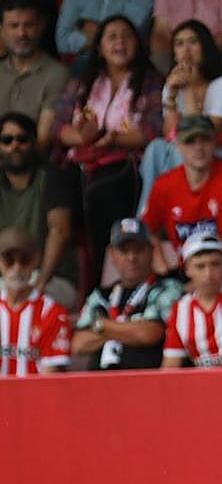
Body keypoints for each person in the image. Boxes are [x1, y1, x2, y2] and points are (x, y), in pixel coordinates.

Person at [52, 14, 163, 278]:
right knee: (56, 188)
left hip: (124, 164)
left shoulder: (149, 81)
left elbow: (153, 130)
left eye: (126, 36)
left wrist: (112, 138)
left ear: (138, 44)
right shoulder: (83, 81)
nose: (119, 42)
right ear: (100, 46)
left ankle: (107, 278)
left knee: (102, 192)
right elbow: (57, 127)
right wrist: (81, 138)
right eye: (111, 36)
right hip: (79, 161)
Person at [139, 19, 222, 208]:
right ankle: (146, 214)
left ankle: (177, 209)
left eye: (193, 42)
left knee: (182, 151)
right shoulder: (173, 84)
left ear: (206, 48)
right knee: (156, 148)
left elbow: (201, 133)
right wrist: (171, 98)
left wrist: (188, 88)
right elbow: (171, 135)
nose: (186, 49)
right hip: (194, 158)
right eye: (179, 43)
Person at [141, 114, 222, 277]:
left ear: (215, 142)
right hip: (187, 272)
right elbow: (147, 228)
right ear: (177, 145)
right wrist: (159, 261)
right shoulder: (164, 184)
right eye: (190, 141)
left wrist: (204, 278)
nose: (198, 148)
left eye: (205, 140)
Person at [72, 217, 183, 370]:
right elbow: (78, 344)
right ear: (111, 253)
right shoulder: (100, 295)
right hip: (100, 386)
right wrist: (128, 329)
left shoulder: (167, 287)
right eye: (124, 250)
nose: (132, 257)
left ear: (151, 250)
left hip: (144, 384)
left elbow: (150, 334)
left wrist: (101, 325)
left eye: (138, 249)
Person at [0, 112, 75, 308]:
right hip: (5, 278)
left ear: (34, 143)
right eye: (7, 140)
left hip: (52, 279)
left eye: (22, 139)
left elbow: (60, 231)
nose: (14, 146)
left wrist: (40, 282)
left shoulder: (51, 177)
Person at [162, 231, 222, 367]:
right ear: (187, 270)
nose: (208, 274)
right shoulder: (180, 309)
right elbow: (170, 365)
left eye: (215, 264)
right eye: (200, 266)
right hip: (201, 385)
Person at [0, 0, 69, 151]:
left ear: (41, 26)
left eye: (29, 25)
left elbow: (42, 142)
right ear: (2, 30)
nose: (21, 33)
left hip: (32, 166)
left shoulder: (57, 74)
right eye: (13, 26)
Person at [0, 226, 70, 376]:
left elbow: (50, 378)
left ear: (36, 259)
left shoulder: (52, 312)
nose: (17, 267)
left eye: (24, 259)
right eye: (9, 260)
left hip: (37, 398)